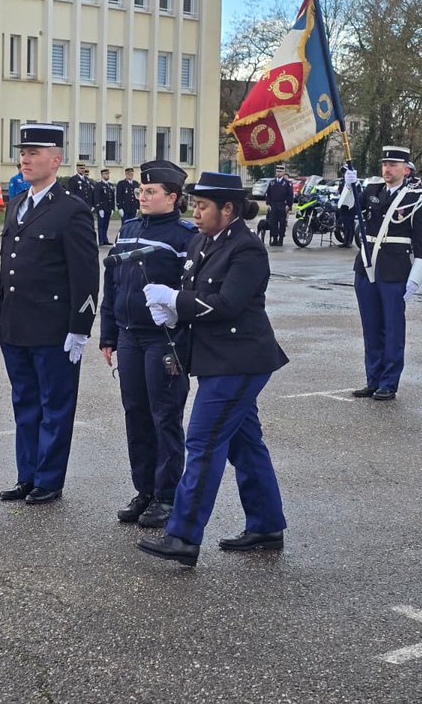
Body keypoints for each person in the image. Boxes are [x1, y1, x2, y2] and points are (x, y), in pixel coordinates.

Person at [136, 172, 288, 568]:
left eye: (203, 206)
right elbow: (198, 296)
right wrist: (170, 312)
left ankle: (184, 536)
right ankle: (267, 524)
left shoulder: (247, 249)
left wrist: (176, 300)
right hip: (216, 357)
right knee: (244, 443)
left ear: (229, 209)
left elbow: (225, 305)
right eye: (195, 204)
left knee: (202, 443)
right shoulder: (202, 240)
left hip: (240, 360)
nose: (196, 211)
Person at [0, 124, 99, 505]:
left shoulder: (72, 210)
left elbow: (86, 274)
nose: (25, 158)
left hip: (53, 327)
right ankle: (27, 475)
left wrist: (80, 328)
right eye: (23, 152)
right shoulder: (20, 204)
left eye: (35, 153)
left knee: (54, 407)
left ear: (56, 160)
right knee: (24, 403)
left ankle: (49, 479)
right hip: (16, 324)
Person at [99, 160, 197, 529]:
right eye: (142, 189)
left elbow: (191, 292)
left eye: (151, 191)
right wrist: (108, 332)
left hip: (164, 340)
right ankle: (144, 489)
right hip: (128, 335)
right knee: (135, 413)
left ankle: (167, 495)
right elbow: (114, 283)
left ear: (172, 197)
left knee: (164, 415)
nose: (142, 195)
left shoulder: (185, 237)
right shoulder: (128, 228)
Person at [347, 146, 422, 402]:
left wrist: (416, 279)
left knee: (393, 329)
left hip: (394, 272)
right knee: (371, 327)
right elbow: (346, 213)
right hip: (366, 268)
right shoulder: (372, 191)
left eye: (393, 165)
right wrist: (348, 187)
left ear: (406, 170)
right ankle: (372, 379)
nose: (387, 169)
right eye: (385, 164)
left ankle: (389, 382)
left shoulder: (416, 199)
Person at [264, 164, 294, 247]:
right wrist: (268, 204)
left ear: (283, 172)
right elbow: (268, 194)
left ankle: (280, 239)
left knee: (282, 223)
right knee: (273, 223)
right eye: (277, 171)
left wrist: (288, 205)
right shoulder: (272, 182)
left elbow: (290, 195)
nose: (278, 173)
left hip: (282, 205)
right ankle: (274, 238)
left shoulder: (287, 183)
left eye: (280, 171)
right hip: (273, 205)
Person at [93, 167, 117, 246]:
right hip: (102, 208)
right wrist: (99, 208)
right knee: (101, 225)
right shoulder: (99, 185)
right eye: (106, 174)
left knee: (106, 225)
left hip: (108, 208)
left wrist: (113, 208)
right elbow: (97, 197)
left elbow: (112, 198)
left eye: (108, 174)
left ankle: (105, 239)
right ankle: (101, 240)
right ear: (102, 175)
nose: (107, 175)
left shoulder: (110, 185)